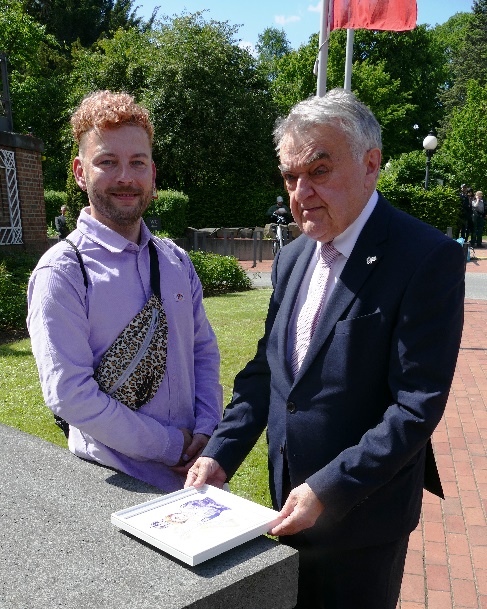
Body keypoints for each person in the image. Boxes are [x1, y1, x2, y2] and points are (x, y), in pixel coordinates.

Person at [185, 89, 465, 609]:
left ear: (371, 164)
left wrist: (328, 489)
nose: (301, 192)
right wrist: (220, 452)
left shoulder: (426, 257)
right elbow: (269, 372)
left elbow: (415, 407)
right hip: (287, 500)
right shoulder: (292, 258)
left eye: (318, 170)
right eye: (290, 177)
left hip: (364, 518)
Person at [27, 90, 223, 492]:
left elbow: (202, 351)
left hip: (195, 478)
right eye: (108, 162)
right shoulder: (63, 272)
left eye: (138, 162)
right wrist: (173, 446)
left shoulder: (176, 261)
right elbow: (70, 395)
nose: (125, 177)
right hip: (115, 487)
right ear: (81, 172)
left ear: (153, 173)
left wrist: (207, 432)